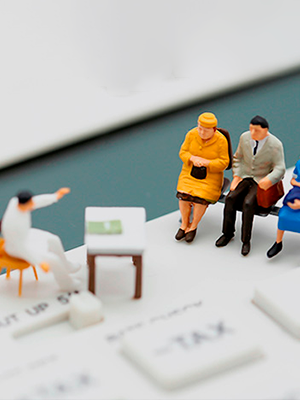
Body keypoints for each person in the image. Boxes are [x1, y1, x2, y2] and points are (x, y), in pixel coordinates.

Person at [215, 115, 286, 256]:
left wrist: (269, 179)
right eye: (251, 129)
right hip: (245, 176)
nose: (253, 133)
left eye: (257, 131)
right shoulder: (245, 138)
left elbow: (280, 167)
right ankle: (227, 233)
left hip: (261, 180)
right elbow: (238, 158)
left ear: (266, 130)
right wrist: (236, 176)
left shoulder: (275, 145)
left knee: (248, 203)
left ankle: (245, 241)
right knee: (230, 198)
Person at [1, 188, 84, 291]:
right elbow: (21, 248)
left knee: (54, 239)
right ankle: (66, 284)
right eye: (30, 204)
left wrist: (55, 196)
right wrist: (39, 262)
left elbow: (36, 201)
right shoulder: (13, 224)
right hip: (16, 247)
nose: (32, 205)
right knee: (53, 259)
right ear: (22, 205)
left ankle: (67, 266)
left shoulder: (15, 202)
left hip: (26, 236)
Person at [175, 112, 229, 243]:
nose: (202, 133)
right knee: (183, 195)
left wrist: (207, 163)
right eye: (200, 128)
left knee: (200, 199)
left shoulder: (221, 140)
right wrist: (192, 158)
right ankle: (184, 224)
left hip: (210, 177)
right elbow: (182, 152)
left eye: (206, 130)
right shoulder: (191, 134)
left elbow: (224, 162)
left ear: (214, 130)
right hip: (189, 173)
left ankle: (193, 226)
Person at [267, 159, 300, 258]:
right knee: (283, 215)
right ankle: (278, 242)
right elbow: (293, 180)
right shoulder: (299, 164)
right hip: (298, 192)